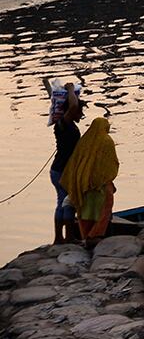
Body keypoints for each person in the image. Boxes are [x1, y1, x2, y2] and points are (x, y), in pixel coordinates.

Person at [61, 116, 117, 243]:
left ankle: (86, 236)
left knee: (86, 211)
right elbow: (110, 164)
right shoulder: (107, 141)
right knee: (103, 210)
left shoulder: (85, 140)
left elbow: (77, 161)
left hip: (84, 183)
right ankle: (94, 235)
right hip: (101, 185)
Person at [51, 87, 82, 244]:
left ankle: (64, 237)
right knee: (67, 203)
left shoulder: (69, 125)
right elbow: (74, 106)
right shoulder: (62, 124)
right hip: (62, 171)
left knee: (65, 201)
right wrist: (70, 89)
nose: (81, 115)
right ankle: (64, 237)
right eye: (79, 113)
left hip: (63, 170)